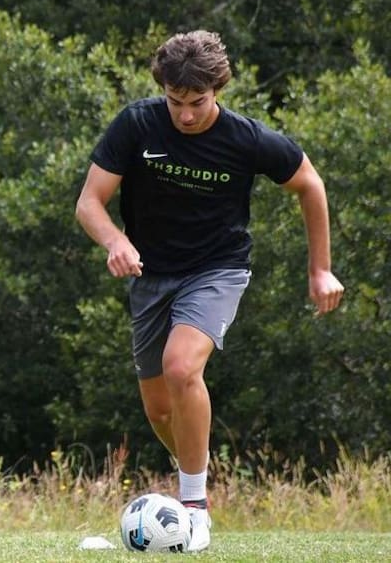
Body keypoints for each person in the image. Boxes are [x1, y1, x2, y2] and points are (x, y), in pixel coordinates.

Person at [75, 30, 344, 552]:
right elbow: (90, 201)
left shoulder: (246, 139)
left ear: (218, 90)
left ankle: (194, 507)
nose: (187, 115)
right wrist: (114, 240)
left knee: (181, 367)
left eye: (198, 103)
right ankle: (192, 481)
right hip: (150, 275)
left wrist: (321, 270)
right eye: (176, 102)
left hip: (216, 270)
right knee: (158, 408)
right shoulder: (137, 124)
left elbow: (310, 184)